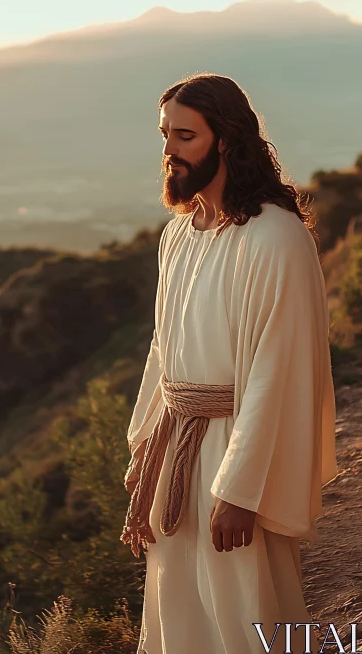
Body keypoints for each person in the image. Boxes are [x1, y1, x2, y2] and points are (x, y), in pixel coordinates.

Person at [120, 73, 338, 654]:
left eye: (185, 135)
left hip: (236, 452)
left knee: (246, 613)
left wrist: (241, 489)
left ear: (225, 140)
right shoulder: (178, 235)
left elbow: (279, 368)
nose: (169, 150)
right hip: (178, 449)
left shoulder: (275, 238)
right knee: (179, 612)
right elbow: (163, 349)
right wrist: (146, 448)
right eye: (165, 134)